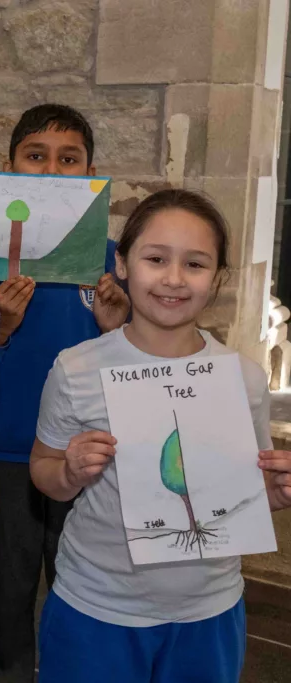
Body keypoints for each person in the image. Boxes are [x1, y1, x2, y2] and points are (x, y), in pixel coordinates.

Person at [30, 188, 291, 682]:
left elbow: (247, 482)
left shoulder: (245, 378)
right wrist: (67, 471)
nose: (173, 279)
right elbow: (43, 469)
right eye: (155, 259)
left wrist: (273, 495)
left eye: (195, 264)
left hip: (208, 608)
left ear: (217, 279)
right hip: (96, 604)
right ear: (123, 264)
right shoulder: (77, 368)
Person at [0, 103, 130, 683]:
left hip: (88, 452)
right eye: (36, 157)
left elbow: (138, 362)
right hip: (5, 450)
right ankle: (6, 672)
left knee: (80, 579)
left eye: (68, 159)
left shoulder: (108, 262)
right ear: (10, 170)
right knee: (10, 586)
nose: (52, 170)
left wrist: (113, 329)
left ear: (91, 172)